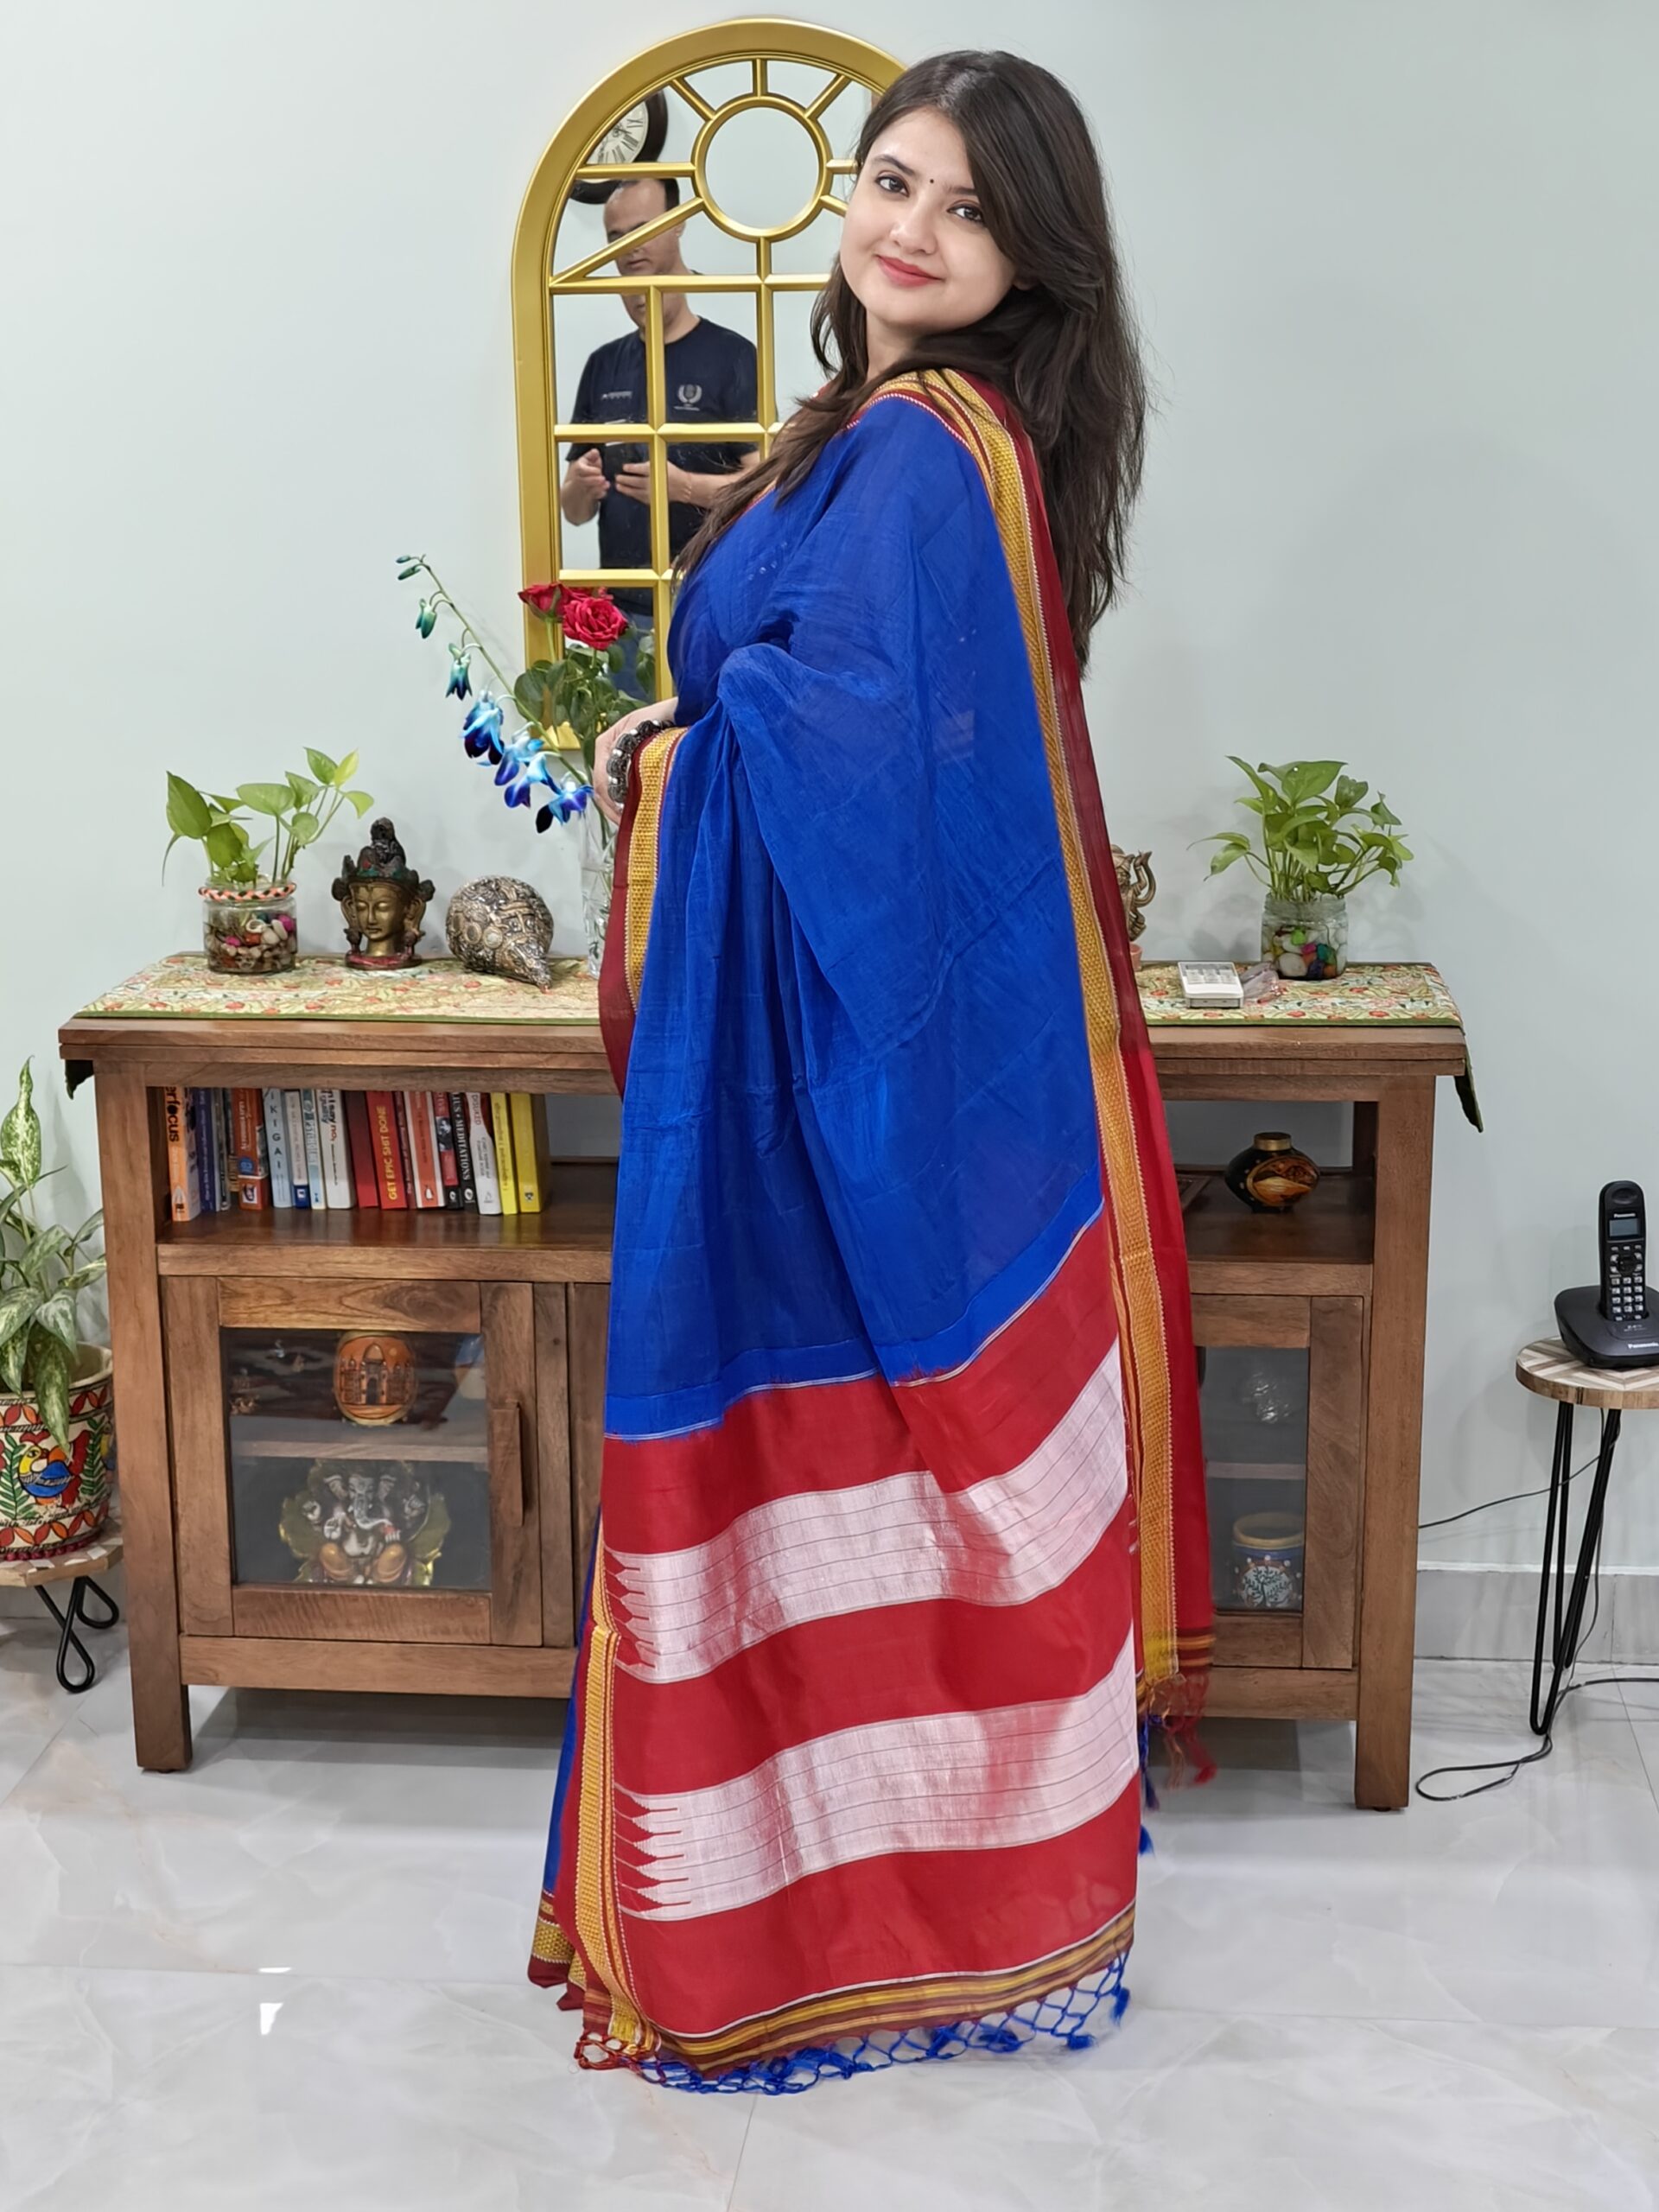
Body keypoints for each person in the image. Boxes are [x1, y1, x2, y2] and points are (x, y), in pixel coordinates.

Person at [531, 51, 1212, 2093]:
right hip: (819, 1017)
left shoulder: (922, 450)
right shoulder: (897, 431)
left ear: (1030, 258)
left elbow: (849, 750)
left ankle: (818, 1926)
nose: (911, 228)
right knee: (882, 1497)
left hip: (812, 1057)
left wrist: (676, 757)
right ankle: (873, 1904)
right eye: (892, 180)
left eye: (968, 207)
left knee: (824, 1459)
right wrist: (698, 736)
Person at [560, 177, 760, 694]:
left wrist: (682, 487)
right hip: (623, 616)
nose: (630, 249)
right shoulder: (603, 365)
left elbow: (765, 491)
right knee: (627, 741)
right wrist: (580, 486)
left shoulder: (733, 357)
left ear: (678, 226)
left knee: (704, 737)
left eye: (644, 230)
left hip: (709, 603)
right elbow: (574, 512)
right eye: (616, 237)